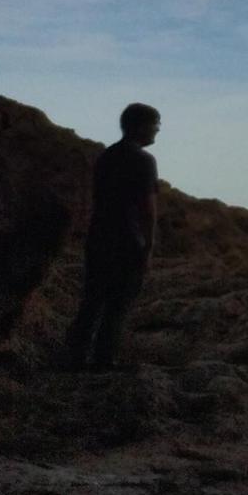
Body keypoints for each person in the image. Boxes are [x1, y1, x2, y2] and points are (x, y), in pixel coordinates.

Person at [62, 102, 161, 370]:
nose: (158, 131)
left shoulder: (107, 156)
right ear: (140, 126)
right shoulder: (144, 160)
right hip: (128, 240)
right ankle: (103, 360)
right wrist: (148, 247)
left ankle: (73, 357)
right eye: (155, 124)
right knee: (118, 304)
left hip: (99, 236)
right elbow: (148, 209)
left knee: (92, 300)